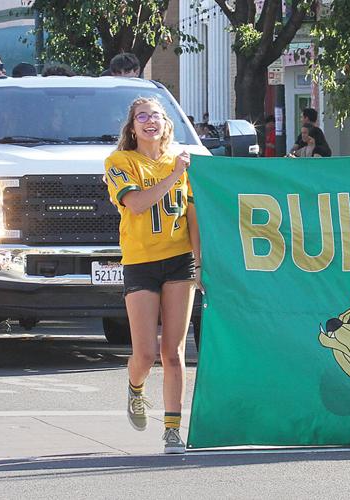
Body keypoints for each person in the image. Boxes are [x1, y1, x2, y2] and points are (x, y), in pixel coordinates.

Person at [103, 97, 199, 454]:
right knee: (144, 354)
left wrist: (200, 261)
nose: (149, 121)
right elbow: (138, 204)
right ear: (132, 127)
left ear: (166, 123)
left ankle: (172, 430)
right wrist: (173, 175)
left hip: (179, 260)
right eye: (141, 116)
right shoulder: (120, 162)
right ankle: (136, 387)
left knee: (173, 351)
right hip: (141, 261)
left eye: (155, 115)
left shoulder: (182, 161)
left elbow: (192, 215)